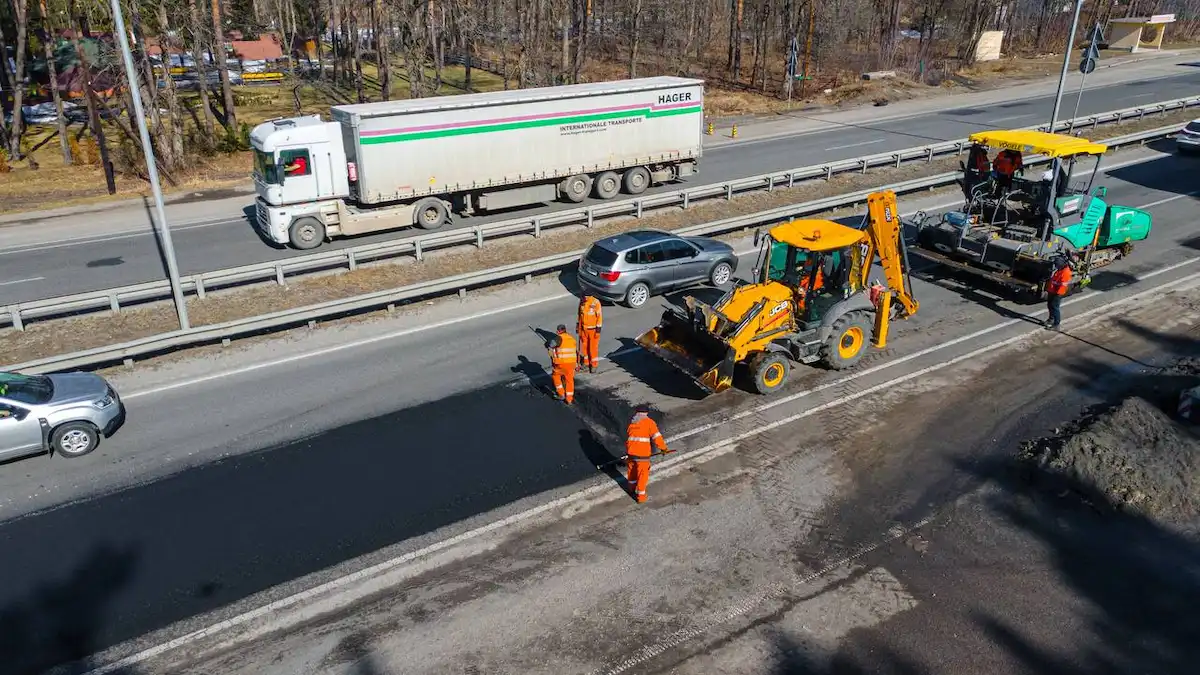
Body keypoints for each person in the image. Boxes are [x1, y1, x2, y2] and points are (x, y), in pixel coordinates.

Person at [625, 404, 672, 503]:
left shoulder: (632, 423)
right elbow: (657, 437)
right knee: (642, 475)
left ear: (637, 412)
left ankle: (631, 489)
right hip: (642, 454)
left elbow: (630, 438)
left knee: (632, 472)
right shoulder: (649, 423)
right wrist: (663, 448)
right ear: (646, 413)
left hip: (631, 453)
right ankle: (641, 497)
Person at [548, 325, 577, 403]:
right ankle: (569, 399)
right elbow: (575, 351)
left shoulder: (559, 338)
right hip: (572, 363)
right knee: (569, 380)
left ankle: (561, 394)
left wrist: (548, 344)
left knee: (555, 375)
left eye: (557, 331)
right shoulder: (572, 339)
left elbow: (551, 345)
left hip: (562, 363)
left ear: (559, 331)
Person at [1044, 255, 1073, 330]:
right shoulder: (1061, 269)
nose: (1056, 266)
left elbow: (1063, 285)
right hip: (1052, 290)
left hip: (1057, 293)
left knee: (1055, 307)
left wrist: (1057, 294)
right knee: (1050, 305)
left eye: (1057, 265)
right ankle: (1051, 319)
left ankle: (1056, 324)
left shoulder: (1066, 272)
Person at [577, 293, 603, 373]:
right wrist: (578, 326)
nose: (585, 297)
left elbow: (599, 317)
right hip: (584, 329)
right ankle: (586, 363)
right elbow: (579, 315)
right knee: (584, 347)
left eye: (586, 296)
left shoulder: (595, 303)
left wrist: (598, 330)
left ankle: (594, 365)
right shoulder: (582, 301)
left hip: (593, 330)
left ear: (590, 295)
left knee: (592, 348)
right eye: (584, 296)